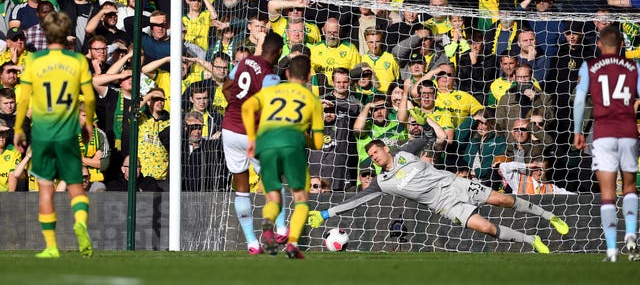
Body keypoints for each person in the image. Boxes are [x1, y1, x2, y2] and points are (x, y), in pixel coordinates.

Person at [307, 139, 569, 254]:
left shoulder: (405, 152)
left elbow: (427, 137)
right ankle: (532, 240)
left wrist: (436, 134)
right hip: (443, 204)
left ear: (386, 149)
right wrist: (326, 213)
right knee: (486, 228)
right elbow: (357, 200)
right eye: (372, 156)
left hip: (455, 184)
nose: (374, 158)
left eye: (376, 152)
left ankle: (549, 216)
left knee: (503, 200)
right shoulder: (381, 182)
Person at [14, 11, 95, 258]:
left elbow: (24, 98)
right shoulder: (78, 61)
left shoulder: (35, 62)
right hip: (68, 132)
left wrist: (18, 128)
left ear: (45, 34)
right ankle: (80, 223)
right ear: (66, 32)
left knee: (46, 188)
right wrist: (88, 123)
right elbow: (90, 97)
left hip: (42, 133)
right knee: (75, 187)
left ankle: (51, 247)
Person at [241, 55, 324, 259]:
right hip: (292, 142)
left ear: (287, 74)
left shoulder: (271, 91)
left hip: (266, 144)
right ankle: (292, 244)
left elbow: (246, 107)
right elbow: (319, 144)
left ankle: (269, 226)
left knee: (273, 197)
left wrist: (252, 138)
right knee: (301, 198)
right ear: (309, 76)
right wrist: (305, 138)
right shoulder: (312, 100)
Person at [573, 26, 640, 262]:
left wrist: (577, 131)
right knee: (630, 187)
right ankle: (631, 233)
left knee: (608, 193)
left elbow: (580, 101)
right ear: (622, 45)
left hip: (603, 132)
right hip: (629, 131)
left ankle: (612, 250)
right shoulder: (635, 67)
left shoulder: (589, 67)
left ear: (599, 45)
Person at [221, 31, 286, 255]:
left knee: (241, 188)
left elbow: (225, 87)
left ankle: (251, 242)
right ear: (278, 52)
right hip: (252, 134)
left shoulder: (244, 62)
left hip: (229, 129)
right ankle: (282, 227)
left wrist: (237, 106)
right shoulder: (270, 76)